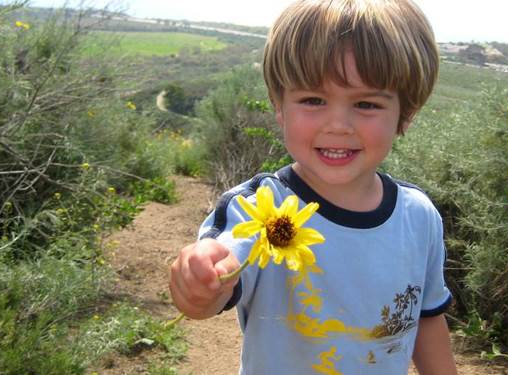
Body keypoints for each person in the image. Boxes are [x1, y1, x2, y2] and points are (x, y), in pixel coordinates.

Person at [169, 0, 458, 373]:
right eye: (313, 100)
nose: (338, 124)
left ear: (406, 114)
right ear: (279, 105)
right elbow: (214, 281)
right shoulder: (258, 207)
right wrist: (200, 279)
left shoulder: (418, 217)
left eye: (367, 104)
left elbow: (427, 318)